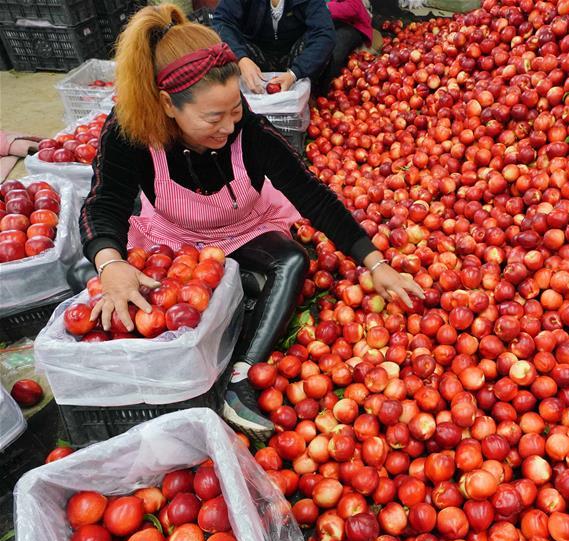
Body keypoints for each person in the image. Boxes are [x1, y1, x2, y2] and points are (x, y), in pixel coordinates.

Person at [76, 3, 423, 439]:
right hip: (173, 240)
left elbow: (312, 194)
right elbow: (102, 203)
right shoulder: (131, 129)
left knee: (293, 261)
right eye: (212, 118)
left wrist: (374, 262)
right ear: (168, 105)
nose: (228, 127)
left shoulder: (247, 131)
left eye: (235, 110)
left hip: (244, 231)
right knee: (87, 273)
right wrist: (112, 265)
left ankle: (241, 376)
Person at [212, 0, 335, 94]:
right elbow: (223, 21)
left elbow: (324, 33)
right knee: (217, 42)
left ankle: (312, 94)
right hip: (255, 52)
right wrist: (241, 58)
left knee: (322, 42)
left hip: (295, 53)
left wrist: (295, 73)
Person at [321, 0, 373, 90]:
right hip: (332, 20)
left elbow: (353, 7)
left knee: (337, 46)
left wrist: (324, 8)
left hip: (354, 25)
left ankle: (327, 89)